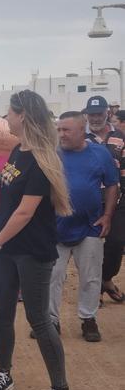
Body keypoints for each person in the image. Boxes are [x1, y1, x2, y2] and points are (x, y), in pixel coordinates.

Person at [0, 90, 77, 390]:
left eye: (9, 112)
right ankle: (4, 375)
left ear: (23, 116)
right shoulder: (17, 150)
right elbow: (10, 193)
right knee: (2, 314)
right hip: (9, 250)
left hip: (32, 252)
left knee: (39, 319)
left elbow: (24, 212)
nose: (6, 118)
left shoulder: (39, 157)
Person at [43, 112, 118, 342]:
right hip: (56, 227)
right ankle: (51, 322)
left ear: (82, 130)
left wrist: (107, 216)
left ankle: (88, 319)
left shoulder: (100, 153)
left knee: (91, 276)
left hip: (90, 226)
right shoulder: (51, 154)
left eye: (66, 130)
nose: (61, 134)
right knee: (53, 276)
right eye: (59, 129)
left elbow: (112, 184)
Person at [82, 96, 125, 303]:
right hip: (91, 200)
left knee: (117, 242)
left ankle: (106, 279)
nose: (96, 118)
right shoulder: (81, 138)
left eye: (99, 114)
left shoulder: (119, 136)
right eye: (92, 114)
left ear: (107, 113)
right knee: (93, 246)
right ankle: (95, 289)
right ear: (87, 115)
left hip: (118, 198)